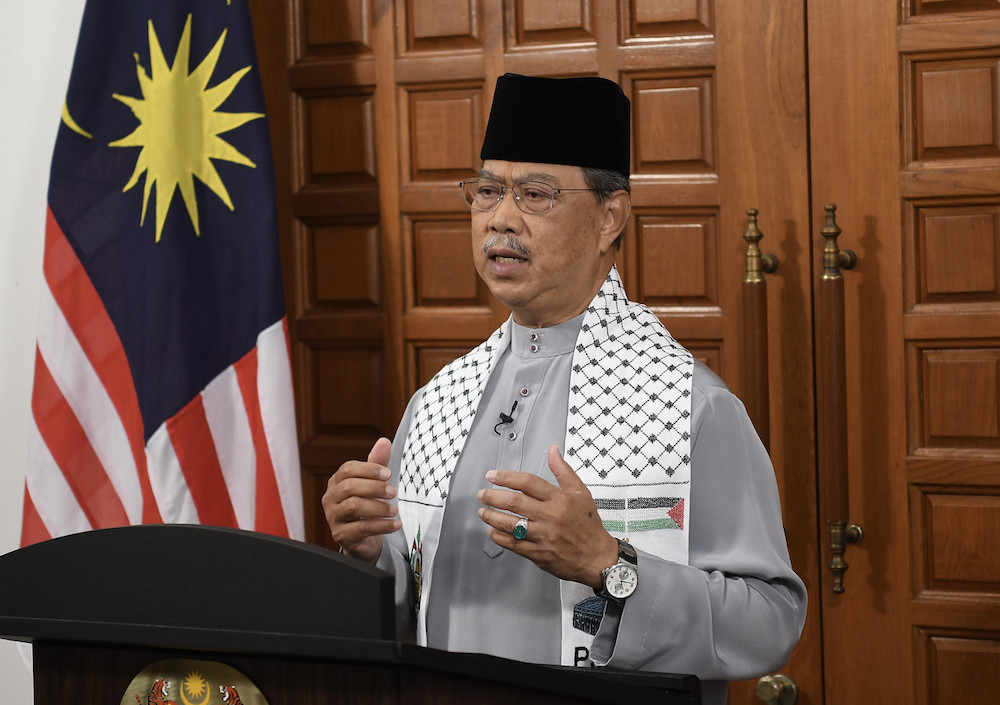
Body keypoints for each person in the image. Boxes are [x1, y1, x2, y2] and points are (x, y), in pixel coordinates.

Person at [322, 73, 807, 705]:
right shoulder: (438, 402)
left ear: (610, 217)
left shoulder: (687, 406)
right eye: (488, 190)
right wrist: (366, 552)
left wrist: (608, 565)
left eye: (536, 194)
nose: (500, 218)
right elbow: (420, 600)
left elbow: (769, 622)